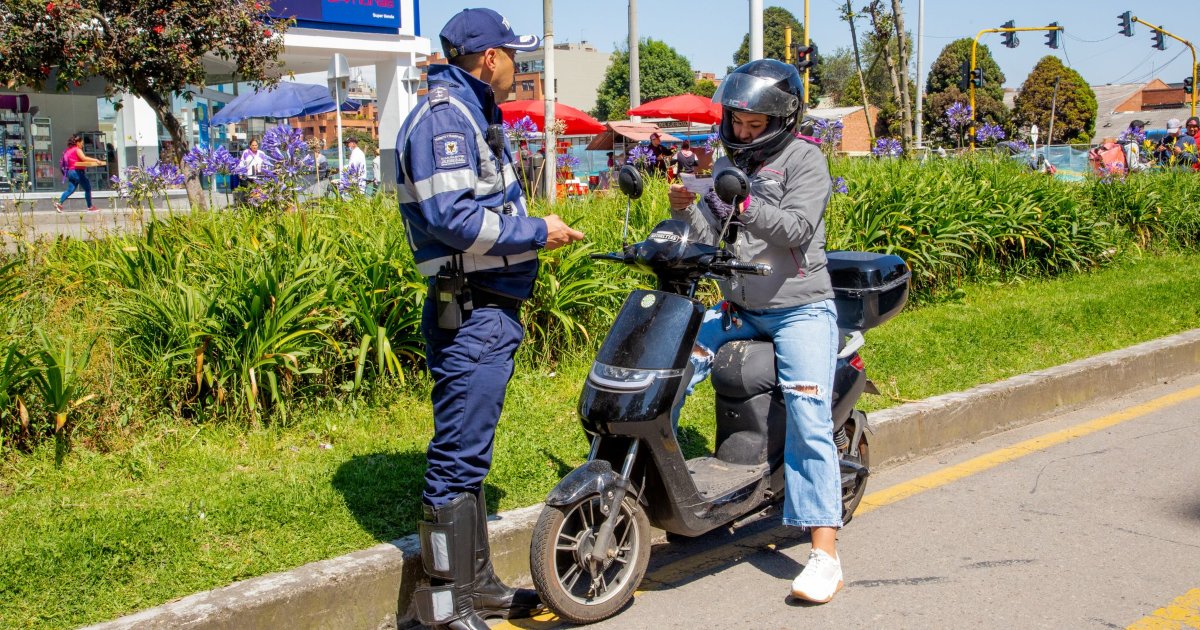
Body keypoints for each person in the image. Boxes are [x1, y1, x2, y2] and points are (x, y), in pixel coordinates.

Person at [395, 8, 584, 629]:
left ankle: (475, 587)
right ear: (491, 59)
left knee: (470, 456)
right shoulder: (445, 118)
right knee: (456, 459)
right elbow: (451, 217)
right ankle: (443, 608)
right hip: (471, 309)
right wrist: (539, 229)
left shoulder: (469, 112)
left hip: (486, 310)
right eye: (515, 58)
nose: (518, 68)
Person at [667, 58, 845, 604]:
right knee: (669, 373)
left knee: (808, 414)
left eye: (754, 126)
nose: (743, 134)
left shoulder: (805, 159)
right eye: (737, 123)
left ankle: (824, 555)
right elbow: (713, 235)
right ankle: (636, 482)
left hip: (801, 310)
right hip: (737, 309)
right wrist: (690, 208)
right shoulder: (727, 162)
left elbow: (794, 227)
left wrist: (740, 198)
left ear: (782, 119)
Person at [54, 134, 105, 213]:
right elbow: (84, 158)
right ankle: (90, 207)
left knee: (70, 189)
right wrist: (96, 160)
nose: (82, 145)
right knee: (87, 188)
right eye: (82, 143)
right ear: (77, 142)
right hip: (76, 172)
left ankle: (59, 203)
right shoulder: (77, 150)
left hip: (70, 172)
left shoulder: (68, 150)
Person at [235, 138, 266, 204]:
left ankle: (257, 208)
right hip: (249, 177)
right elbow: (242, 163)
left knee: (258, 194)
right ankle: (248, 207)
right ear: (250, 146)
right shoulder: (246, 152)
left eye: (256, 145)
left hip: (259, 177)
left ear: (258, 145)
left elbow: (265, 163)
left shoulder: (262, 153)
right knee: (249, 194)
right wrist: (240, 173)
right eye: (253, 145)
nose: (254, 146)